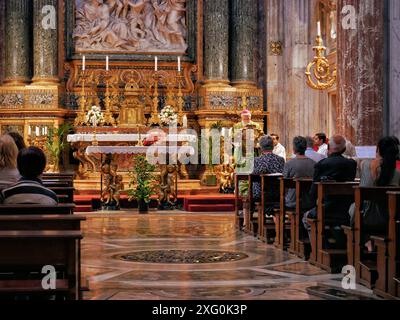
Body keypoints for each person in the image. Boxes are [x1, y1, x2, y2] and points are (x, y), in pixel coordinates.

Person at [348, 136, 400, 251]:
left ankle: (366, 240)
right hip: (391, 218)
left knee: (353, 209)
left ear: (378, 150)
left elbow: (362, 189)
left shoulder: (366, 165)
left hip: (368, 218)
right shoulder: (397, 172)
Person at [303, 135, 357, 241]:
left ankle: (318, 248)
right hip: (346, 208)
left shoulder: (322, 164)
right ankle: (334, 241)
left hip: (325, 209)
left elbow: (313, 192)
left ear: (328, 147)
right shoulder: (351, 164)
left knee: (306, 218)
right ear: (344, 149)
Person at [283, 137, 316, 209]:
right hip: (309, 202)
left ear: (294, 149)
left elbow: (284, 185)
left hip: (292, 201)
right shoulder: (313, 163)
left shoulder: (289, 164)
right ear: (305, 148)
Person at [252, 135, 285, 201]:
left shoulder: (257, 160)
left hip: (260, 194)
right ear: (273, 146)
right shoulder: (280, 160)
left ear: (261, 147)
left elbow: (253, 177)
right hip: (278, 194)